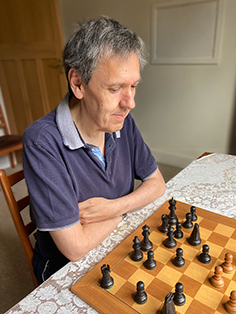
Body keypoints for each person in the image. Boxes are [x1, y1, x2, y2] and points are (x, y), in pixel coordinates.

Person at [23, 17, 166, 284]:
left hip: (120, 243)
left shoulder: (121, 121)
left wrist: (113, 208)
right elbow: (74, 247)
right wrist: (129, 209)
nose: (130, 102)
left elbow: (157, 184)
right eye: (115, 88)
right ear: (77, 83)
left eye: (133, 86)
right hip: (66, 269)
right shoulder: (42, 141)